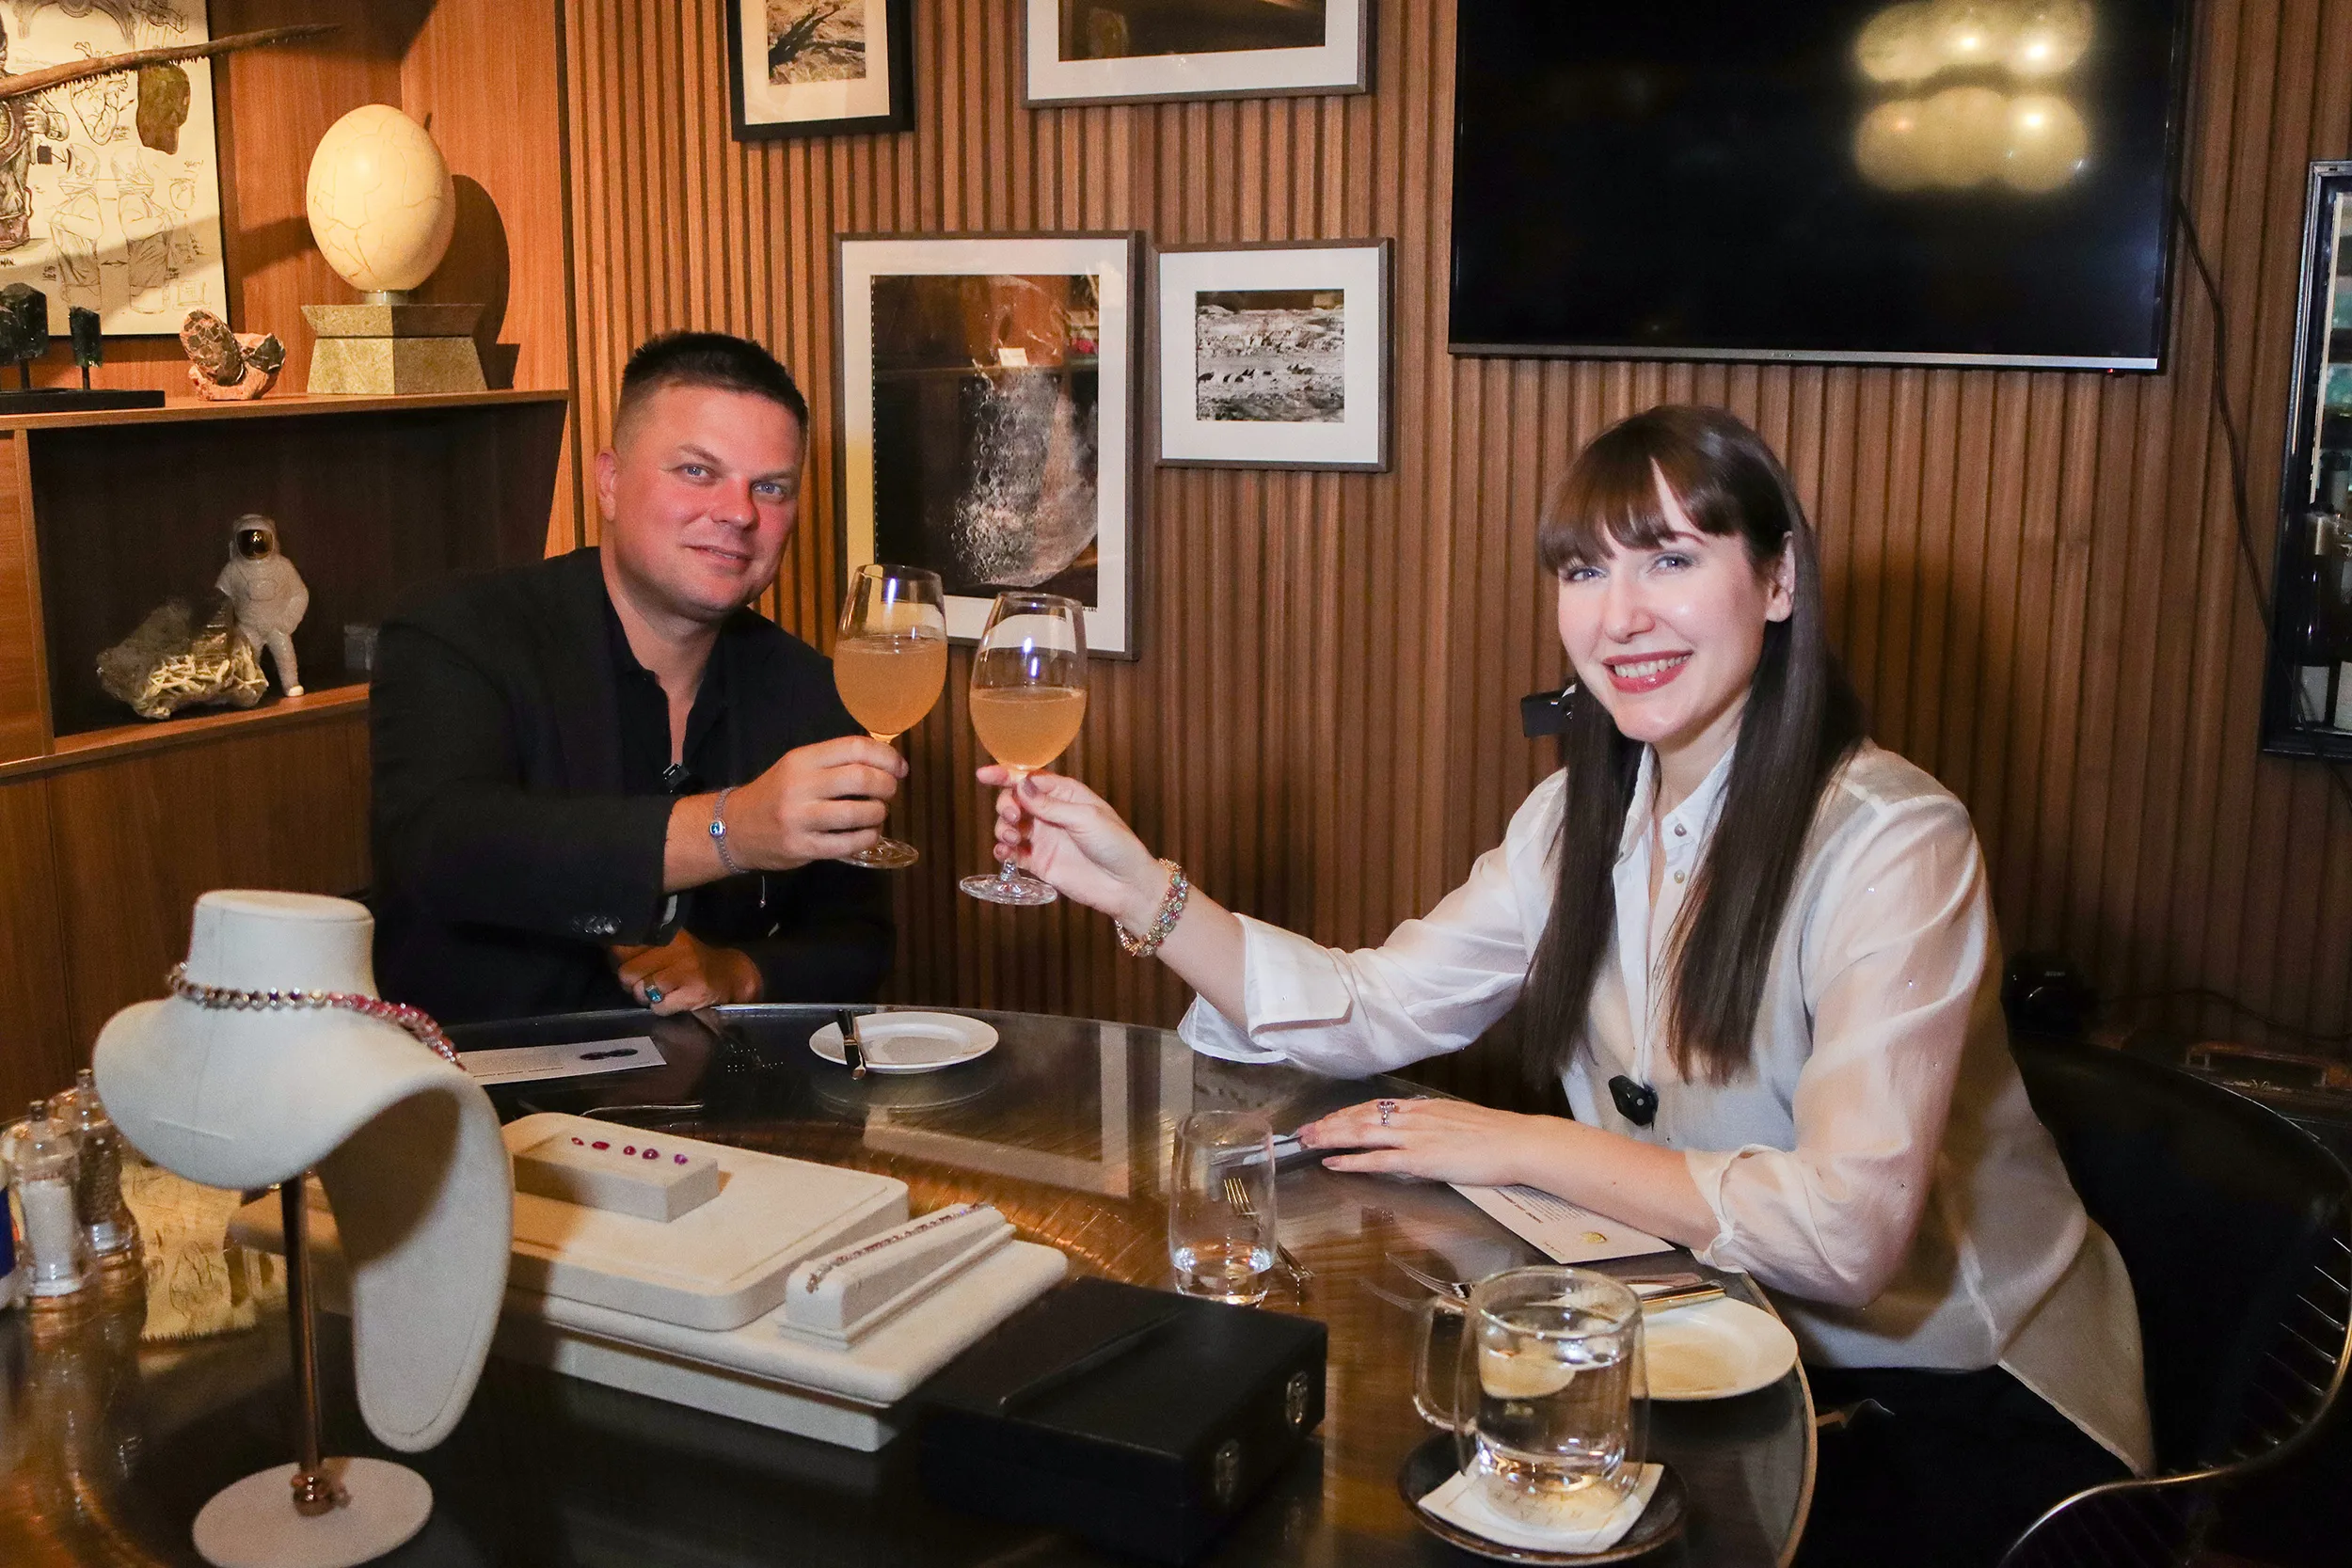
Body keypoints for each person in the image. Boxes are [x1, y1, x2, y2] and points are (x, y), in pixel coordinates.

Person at [978, 405, 2153, 1568]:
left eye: (1674, 558)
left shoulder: (1895, 840)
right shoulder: (1572, 815)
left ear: (1779, 579)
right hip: (1702, 1342)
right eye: (1587, 568)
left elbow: (1844, 1233)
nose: (1622, 613)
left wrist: (1521, 1142)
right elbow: (1373, 1005)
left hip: (1956, 1390)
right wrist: (1143, 894)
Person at [371, 331, 904, 1025]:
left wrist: (737, 970)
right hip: (475, 1094)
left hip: (721, 1111)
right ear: (611, 482)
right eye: (697, 471)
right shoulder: (457, 632)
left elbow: (857, 940)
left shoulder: (813, 689)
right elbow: (448, 851)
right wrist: (729, 831)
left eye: (770, 487)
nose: (739, 513)